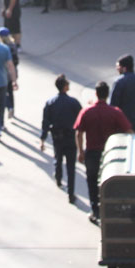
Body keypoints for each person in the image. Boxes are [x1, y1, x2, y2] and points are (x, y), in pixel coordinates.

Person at [75, 81, 133, 225]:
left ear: (96, 94)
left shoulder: (87, 112)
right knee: (111, 183)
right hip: (110, 154)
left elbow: (79, 133)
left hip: (92, 153)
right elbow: (129, 131)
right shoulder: (115, 112)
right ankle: (111, 210)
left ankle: (95, 211)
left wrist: (80, 151)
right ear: (107, 95)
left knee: (92, 182)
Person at [40, 74, 82, 205]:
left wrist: (43, 138)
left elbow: (45, 121)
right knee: (71, 166)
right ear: (65, 87)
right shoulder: (73, 103)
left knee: (58, 158)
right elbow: (81, 119)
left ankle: (58, 178)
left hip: (57, 136)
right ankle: (71, 193)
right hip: (71, 137)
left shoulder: (51, 102)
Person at [0, 27, 19, 119]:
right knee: (10, 91)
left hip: (4, 72)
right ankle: (12, 108)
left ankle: (9, 106)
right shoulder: (13, 45)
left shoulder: (3, 47)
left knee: (3, 91)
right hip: (13, 72)